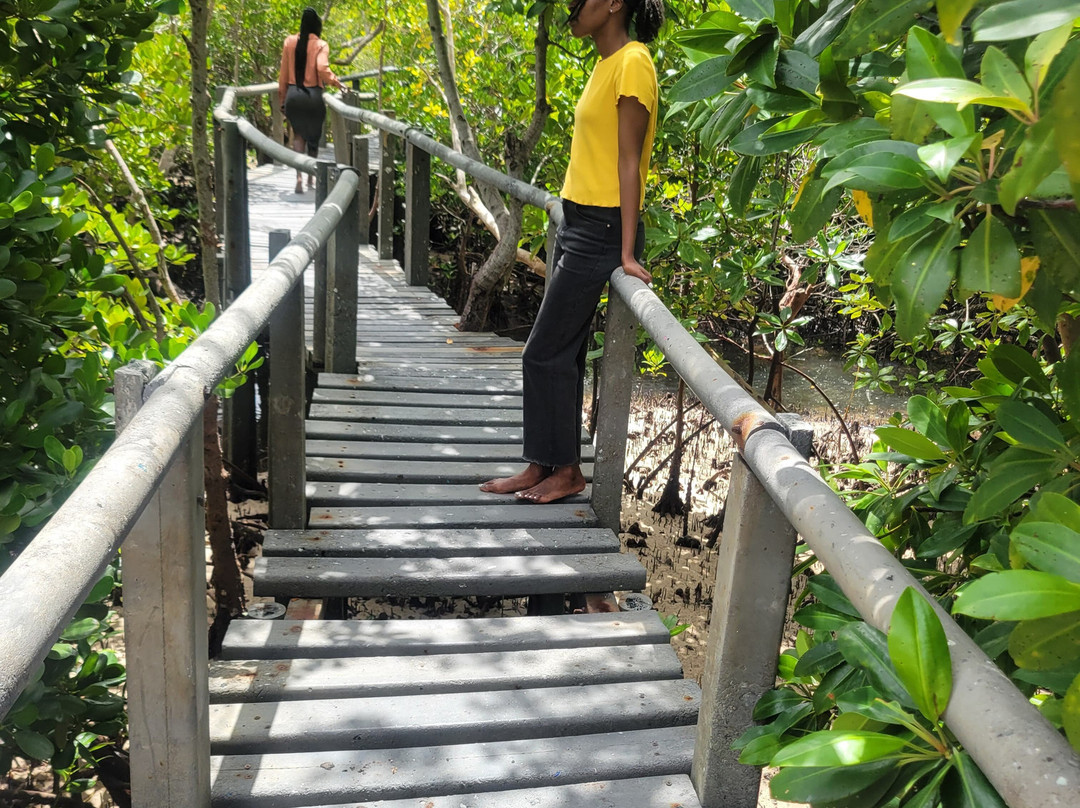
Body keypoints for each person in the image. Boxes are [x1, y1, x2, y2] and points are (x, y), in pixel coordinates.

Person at [481, 0, 663, 503]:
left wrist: (626, 252)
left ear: (613, 5)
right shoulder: (605, 64)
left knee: (542, 352)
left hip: (603, 228)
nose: (571, 7)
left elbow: (631, 161)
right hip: (579, 219)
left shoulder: (633, 62)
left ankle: (567, 471)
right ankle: (542, 464)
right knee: (562, 353)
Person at [278, 7, 344, 194]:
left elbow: (283, 75)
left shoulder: (289, 42)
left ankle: (298, 177)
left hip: (293, 95)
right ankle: (310, 179)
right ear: (317, 27)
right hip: (313, 96)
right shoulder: (321, 44)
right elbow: (322, 68)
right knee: (313, 139)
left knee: (298, 136)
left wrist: (282, 98)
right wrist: (336, 82)